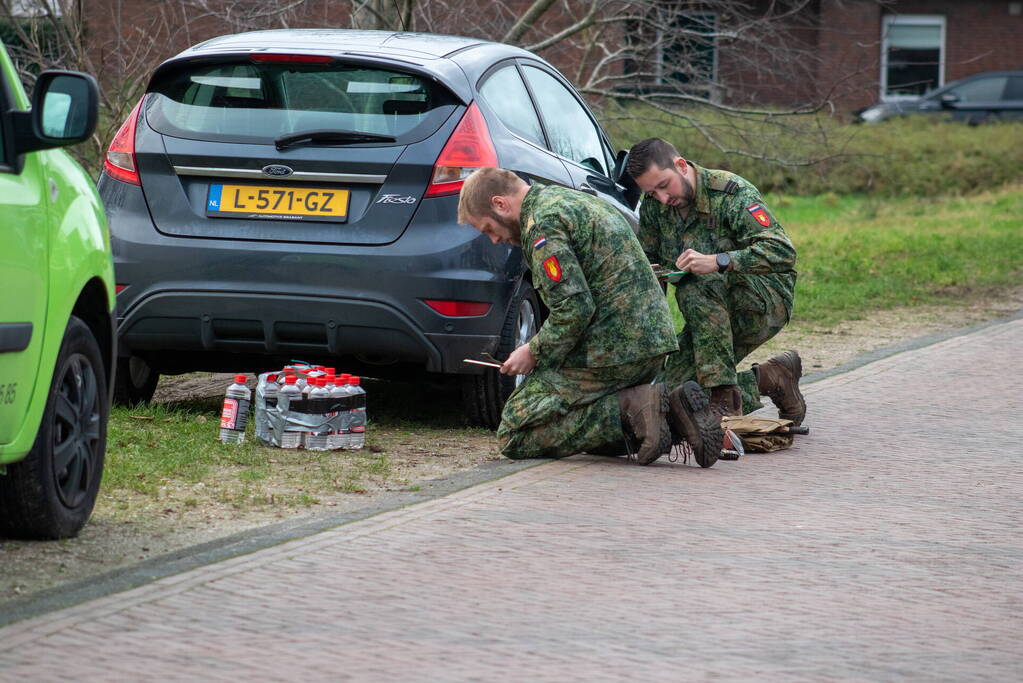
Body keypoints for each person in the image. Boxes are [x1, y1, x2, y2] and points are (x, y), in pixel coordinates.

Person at [457, 167, 721, 465]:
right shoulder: (572, 200)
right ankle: (669, 416)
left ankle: (635, 407)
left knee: (516, 430)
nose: (494, 240)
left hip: (613, 349)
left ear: (500, 204)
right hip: (649, 343)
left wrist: (533, 350)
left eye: (488, 229)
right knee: (575, 422)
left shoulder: (542, 224)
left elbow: (574, 308)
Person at [626, 138, 806, 425]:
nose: (661, 198)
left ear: (681, 165)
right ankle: (772, 377)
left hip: (763, 300)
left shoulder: (731, 193)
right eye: (651, 192)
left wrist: (719, 261)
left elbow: (782, 252)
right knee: (669, 400)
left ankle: (724, 404)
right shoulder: (653, 206)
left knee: (698, 281)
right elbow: (650, 267)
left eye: (663, 186)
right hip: (707, 318)